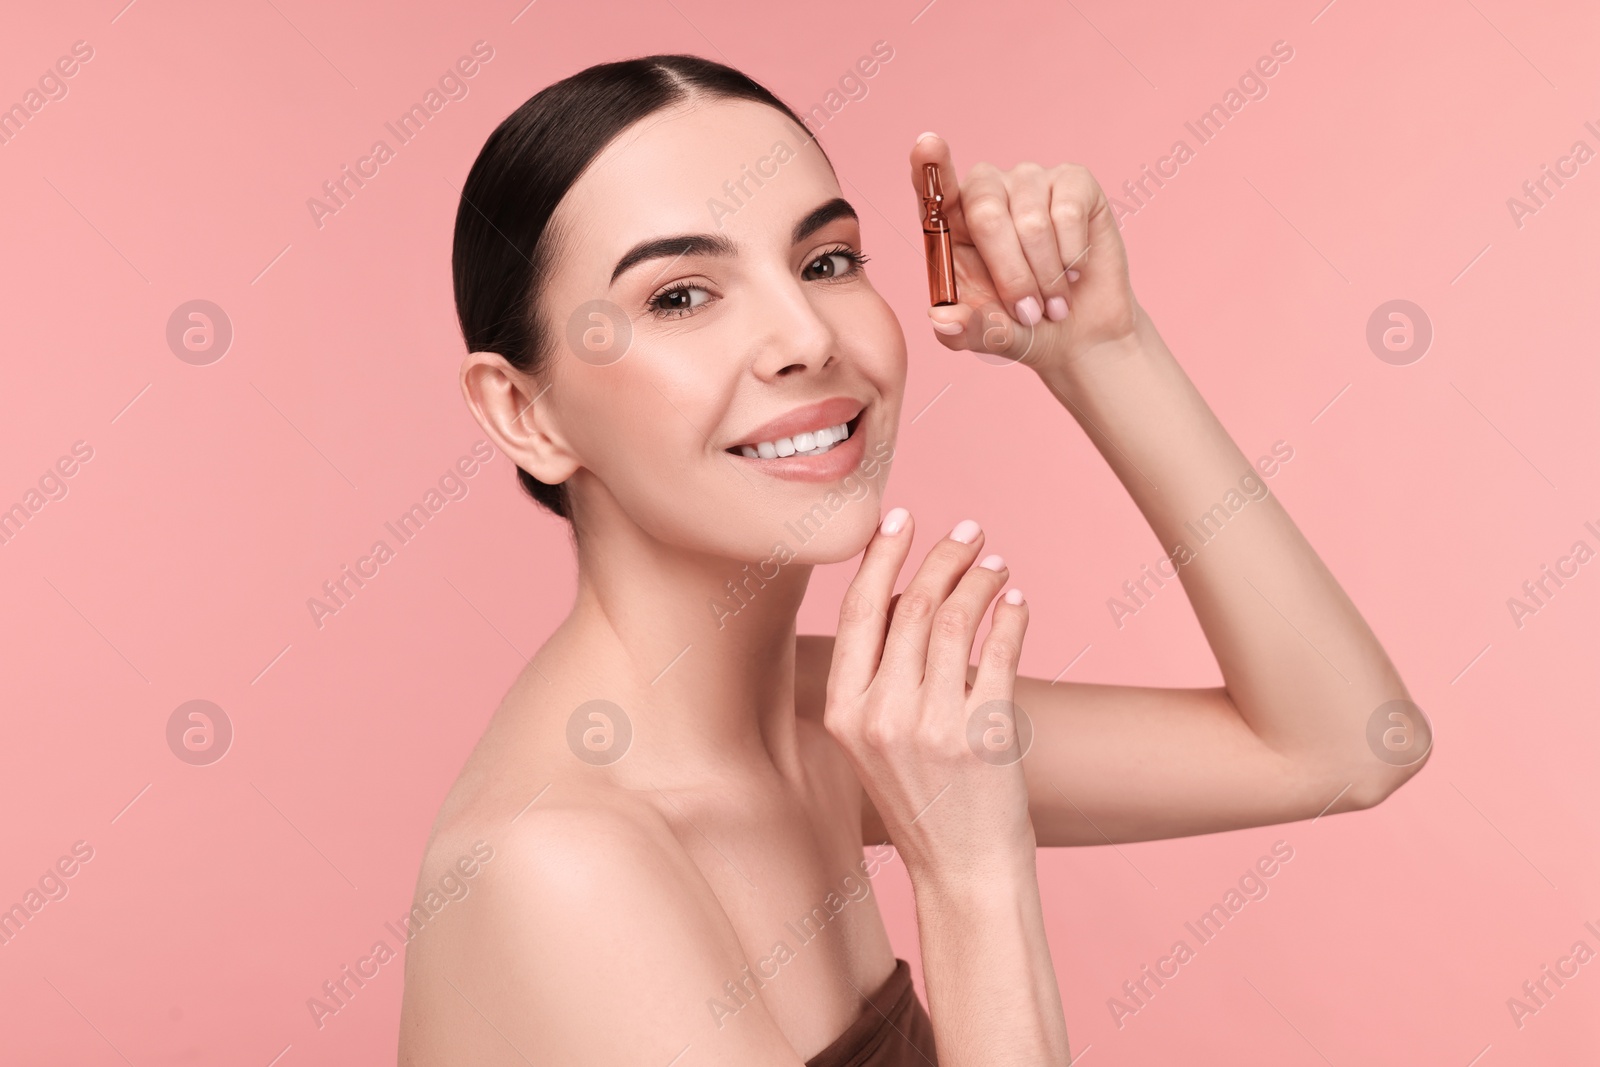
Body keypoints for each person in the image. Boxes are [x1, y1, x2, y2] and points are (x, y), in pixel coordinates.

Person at [396, 53, 1427, 1066]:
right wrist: (972, 873)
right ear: (523, 412)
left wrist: (1101, 349)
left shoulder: (824, 722)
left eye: (825, 262)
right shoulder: (554, 867)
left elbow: (1346, 744)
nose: (803, 334)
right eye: (680, 296)